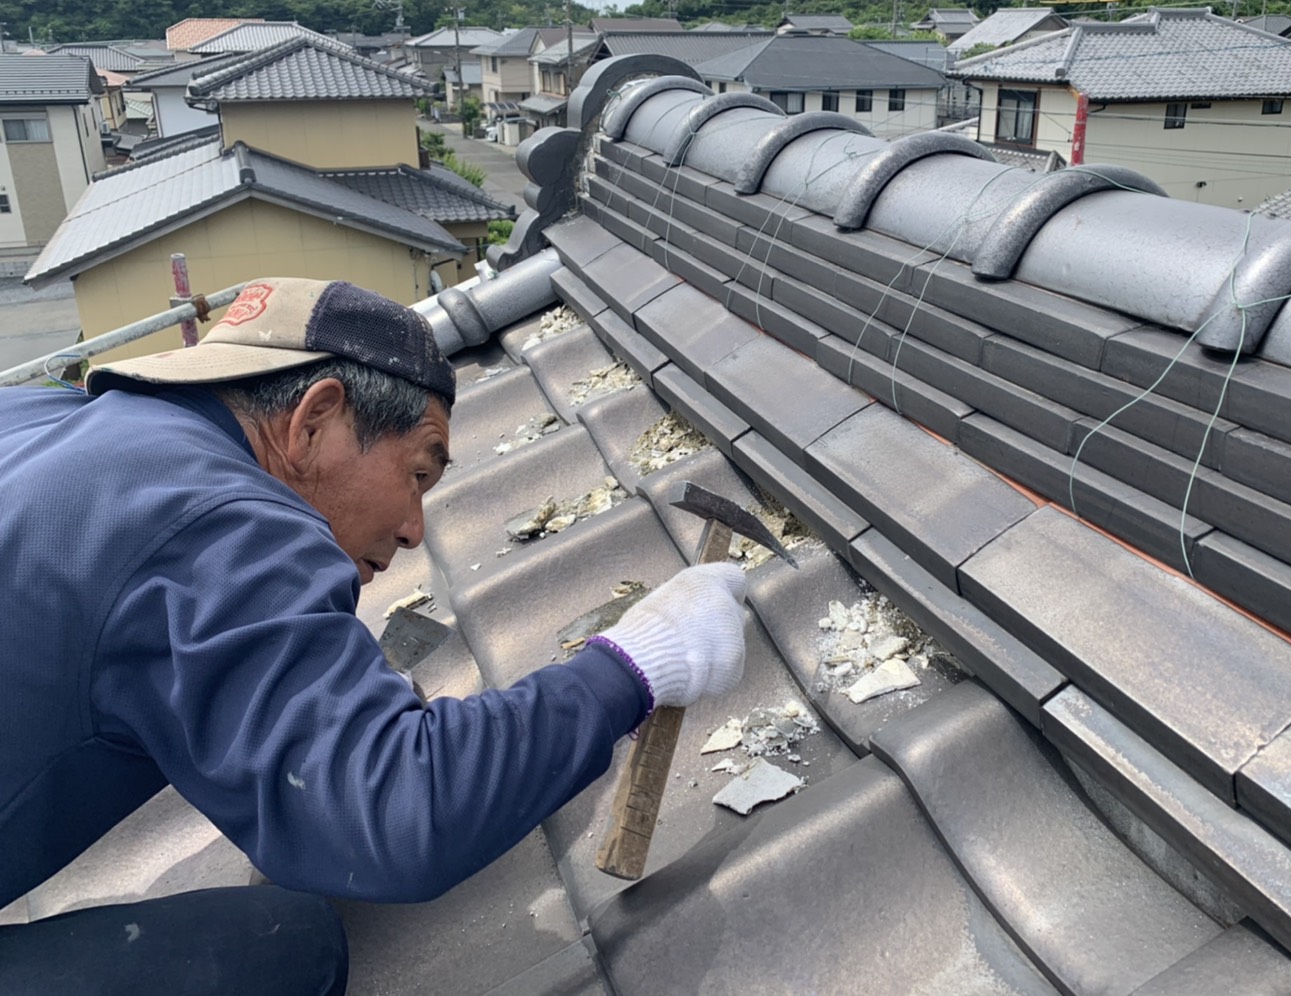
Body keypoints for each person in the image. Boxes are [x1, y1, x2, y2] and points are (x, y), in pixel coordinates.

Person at [0, 278, 747, 995]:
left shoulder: (41, 420)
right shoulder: (213, 521)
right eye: (418, 473)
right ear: (315, 419)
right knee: (281, 949)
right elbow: (395, 812)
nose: (415, 531)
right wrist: (634, 664)